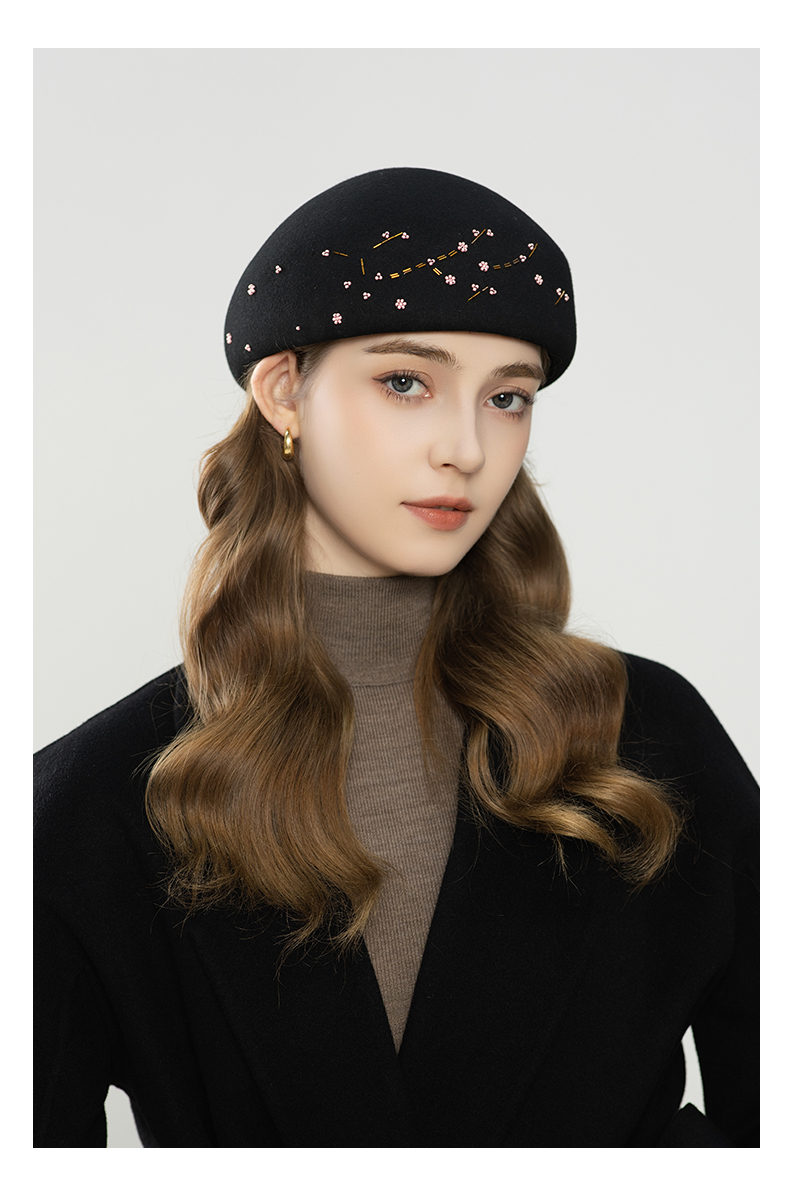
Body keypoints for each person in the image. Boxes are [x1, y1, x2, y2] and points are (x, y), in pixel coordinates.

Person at [34, 167, 758, 1148]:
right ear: (284, 392)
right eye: (406, 382)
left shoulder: (647, 739)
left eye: (508, 397)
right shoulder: (92, 803)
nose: (466, 446)